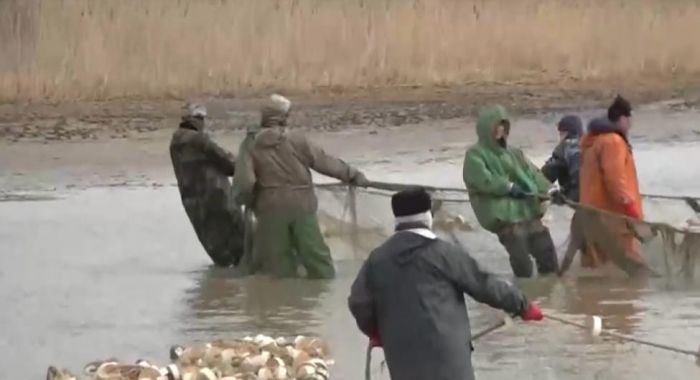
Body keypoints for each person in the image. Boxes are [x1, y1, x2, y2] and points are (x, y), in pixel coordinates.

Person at [348, 188, 543, 380]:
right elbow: (484, 285)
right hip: (448, 359)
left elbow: (358, 302)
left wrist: (376, 331)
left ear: (396, 220)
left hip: (402, 358)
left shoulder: (378, 259)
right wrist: (523, 305)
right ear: (428, 217)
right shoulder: (444, 253)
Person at [233, 94, 368, 279]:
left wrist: (246, 201)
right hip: (302, 206)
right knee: (318, 260)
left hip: (270, 208)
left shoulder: (250, 144)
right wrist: (353, 174)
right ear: (284, 117)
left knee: (277, 267)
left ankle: (285, 304)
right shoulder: (297, 140)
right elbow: (324, 162)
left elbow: (244, 181)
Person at [462, 105, 559, 278]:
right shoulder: (475, 154)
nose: (501, 130)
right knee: (523, 266)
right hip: (505, 219)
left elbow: (533, 173)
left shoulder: (514, 153)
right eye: (497, 125)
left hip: (528, 212)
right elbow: (482, 180)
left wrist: (551, 190)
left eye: (504, 125)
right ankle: (522, 296)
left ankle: (547, 297)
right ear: (487, 128)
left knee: (548, 258)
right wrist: (507, 187)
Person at [169, 103, 245, 267]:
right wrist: (244, 165)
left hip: (192, 202)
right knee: (239, 241)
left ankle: (224, 282)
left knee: (216, 248)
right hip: (216, 197)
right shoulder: (198, 139)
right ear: (196, 119)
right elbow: (226, 162)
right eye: (201, 118)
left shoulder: (174, 143)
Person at [578, 95, 645, 271]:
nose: (630, 125)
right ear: (623, 118)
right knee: (630, 268)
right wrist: (631, 209)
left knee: (595, 267)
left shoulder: (593, 141)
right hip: (613, 219)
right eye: (629, 119)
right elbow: (614, 180)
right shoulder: (613, 142)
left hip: (591, 215)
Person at [541, 115, 583, 202]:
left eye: (560, 133)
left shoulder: (565, 148)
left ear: (566, 133)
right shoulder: (588, 143)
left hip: (575, 199)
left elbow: (545, 176)